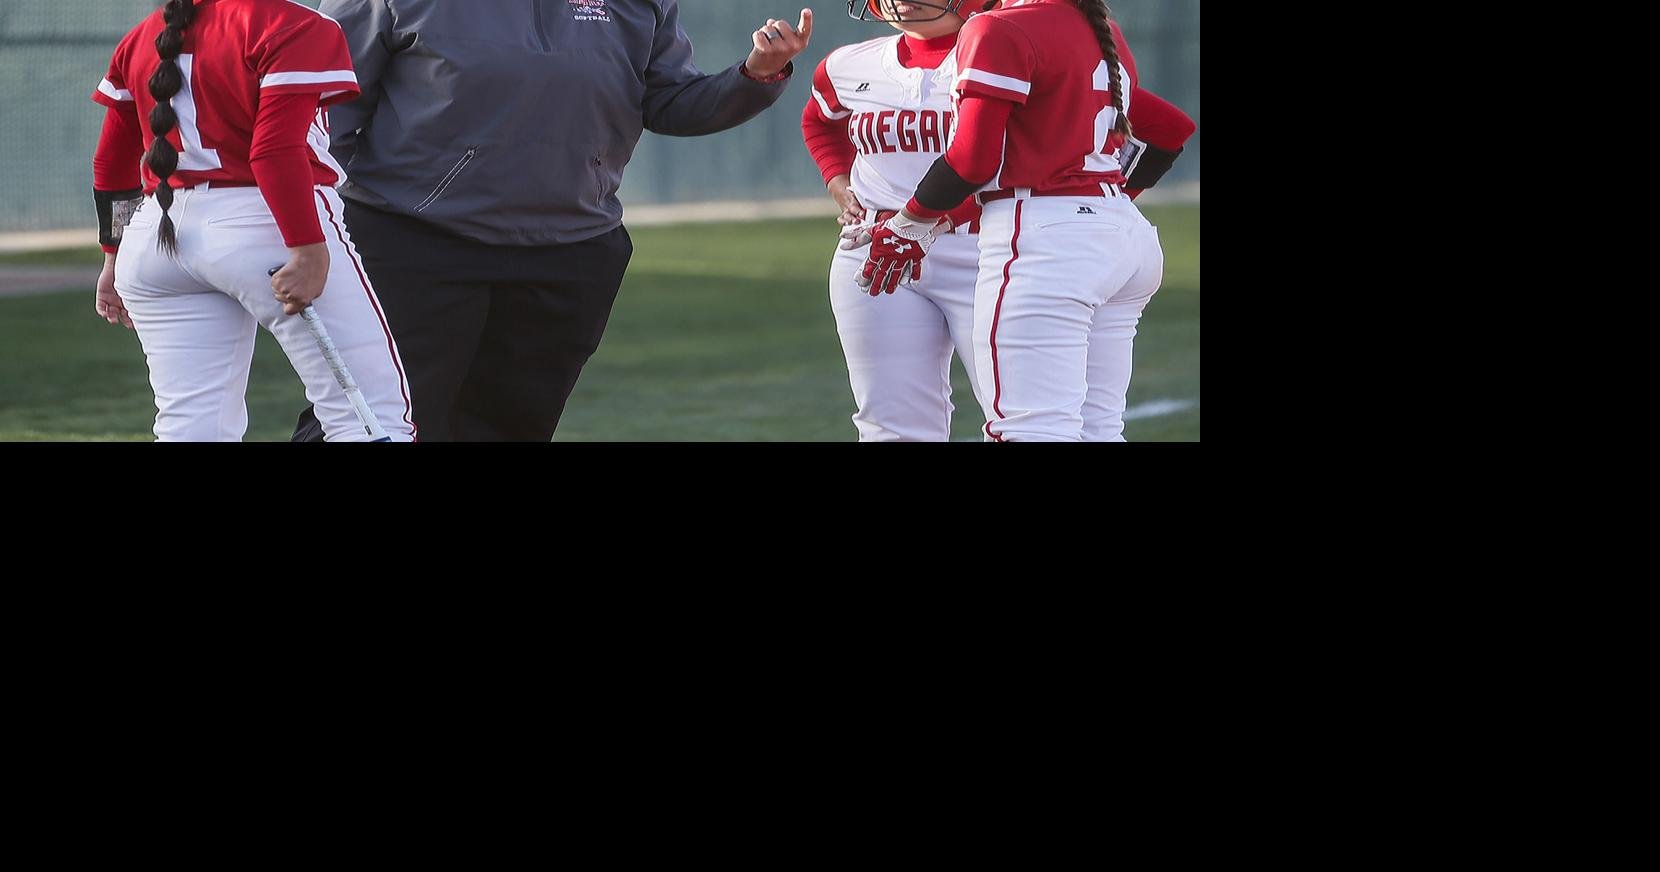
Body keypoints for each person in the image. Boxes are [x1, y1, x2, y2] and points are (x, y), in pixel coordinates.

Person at [291, 1, 815, 442]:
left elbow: (671, 101)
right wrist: (301, 231)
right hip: (409, 243)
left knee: (509, 427)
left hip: (571, 252)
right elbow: (321, 114)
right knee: (361, 422)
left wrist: (755, 76)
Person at [821, 0, 1192, 441]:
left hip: (1041, 236)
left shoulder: (997, 28)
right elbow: (1165, 132)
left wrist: (910, 222)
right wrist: (1106, 206)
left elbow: (972, 160)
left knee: (1029, 430)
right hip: (1114, 230)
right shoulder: (1096, 26)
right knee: (1096, 431)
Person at [92, 0, 415, 442]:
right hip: (265, 225)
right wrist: (307, 247)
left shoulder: (142, 35)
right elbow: (273, 150)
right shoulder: (293, 24)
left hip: (155, 237)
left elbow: (111, 164)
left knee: (192, 429)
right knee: (369, 419)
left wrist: (113, 255)